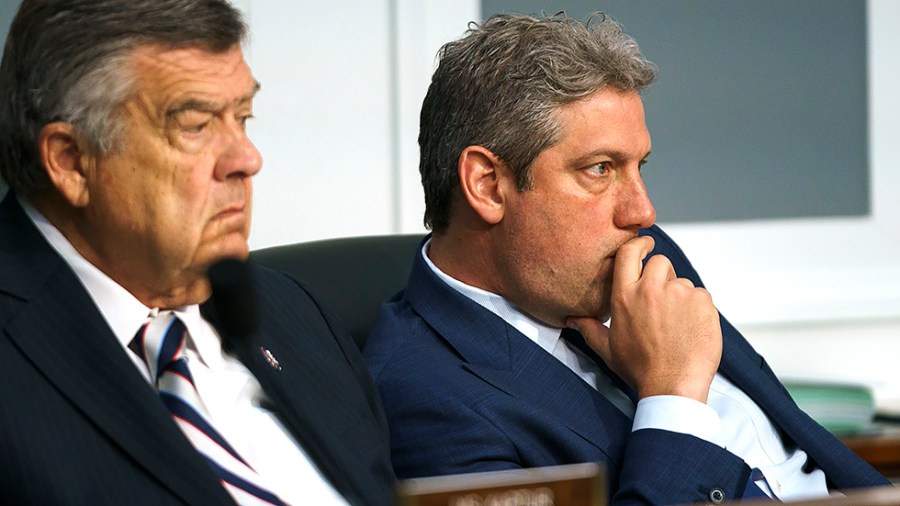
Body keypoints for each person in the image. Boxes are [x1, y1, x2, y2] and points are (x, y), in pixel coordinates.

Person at [363, 12, 888, 505]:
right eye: (600, 169)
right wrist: (674, 396)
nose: (643, 210)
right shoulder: (425, 402)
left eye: (639, 166)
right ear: (488, 185)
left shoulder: (633, 254)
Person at [0, 1, 393, 504]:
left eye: (243, 117)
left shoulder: (297, 316)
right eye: (196, 125)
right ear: (73, 162)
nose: (247, 160)